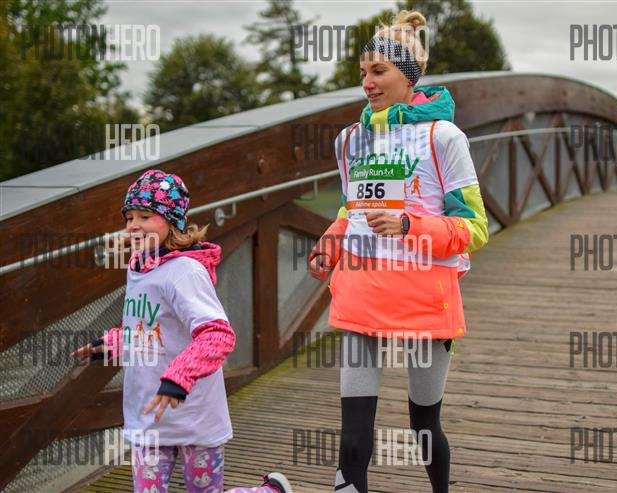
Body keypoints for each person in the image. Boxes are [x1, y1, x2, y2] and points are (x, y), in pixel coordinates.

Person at [308, 10, 488, 493]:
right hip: (361, 292)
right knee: (353, 438)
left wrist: (409, 225)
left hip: (424, 297)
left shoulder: (443, 137)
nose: (367, 83)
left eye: (378, 71)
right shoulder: (351, 140)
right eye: (362, 73)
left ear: (409, 77)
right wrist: (330, 243)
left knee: (424, 426)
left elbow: (474, 228)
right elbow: (352, 210)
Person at [72, 170, 292, 493]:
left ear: (171, 220)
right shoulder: (138, 267)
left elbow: (217, 335)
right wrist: (113, 343)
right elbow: (149, 327)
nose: (133, 225)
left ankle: (269, 491)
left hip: (194, 418)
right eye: (129, 217)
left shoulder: (185, 272)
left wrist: (178, 378)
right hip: (148, 418)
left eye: (145, 216)